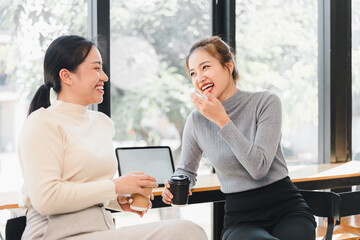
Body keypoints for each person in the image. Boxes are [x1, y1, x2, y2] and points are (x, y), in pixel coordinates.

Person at [18, 35, 207, 240]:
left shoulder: (102, 123)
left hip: (101, 230)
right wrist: (115, 187)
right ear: (67, 76)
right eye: (96, 68)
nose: (105, 77)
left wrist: (117, 199)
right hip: (55, 234)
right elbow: (47, 199)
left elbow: (88, 187)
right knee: (186, 232)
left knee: (187, 231)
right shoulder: (43, 122)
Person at [161, 36, 317, 240]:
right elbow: (187, 170)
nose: (199, 78)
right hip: (241, 218)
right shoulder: (196, 120)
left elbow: (258, 168)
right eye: (193, 73)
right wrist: (176, 185)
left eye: (205, 67)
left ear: (229, 65)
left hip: (287, 209)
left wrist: (222, 120)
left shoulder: (265, 102)